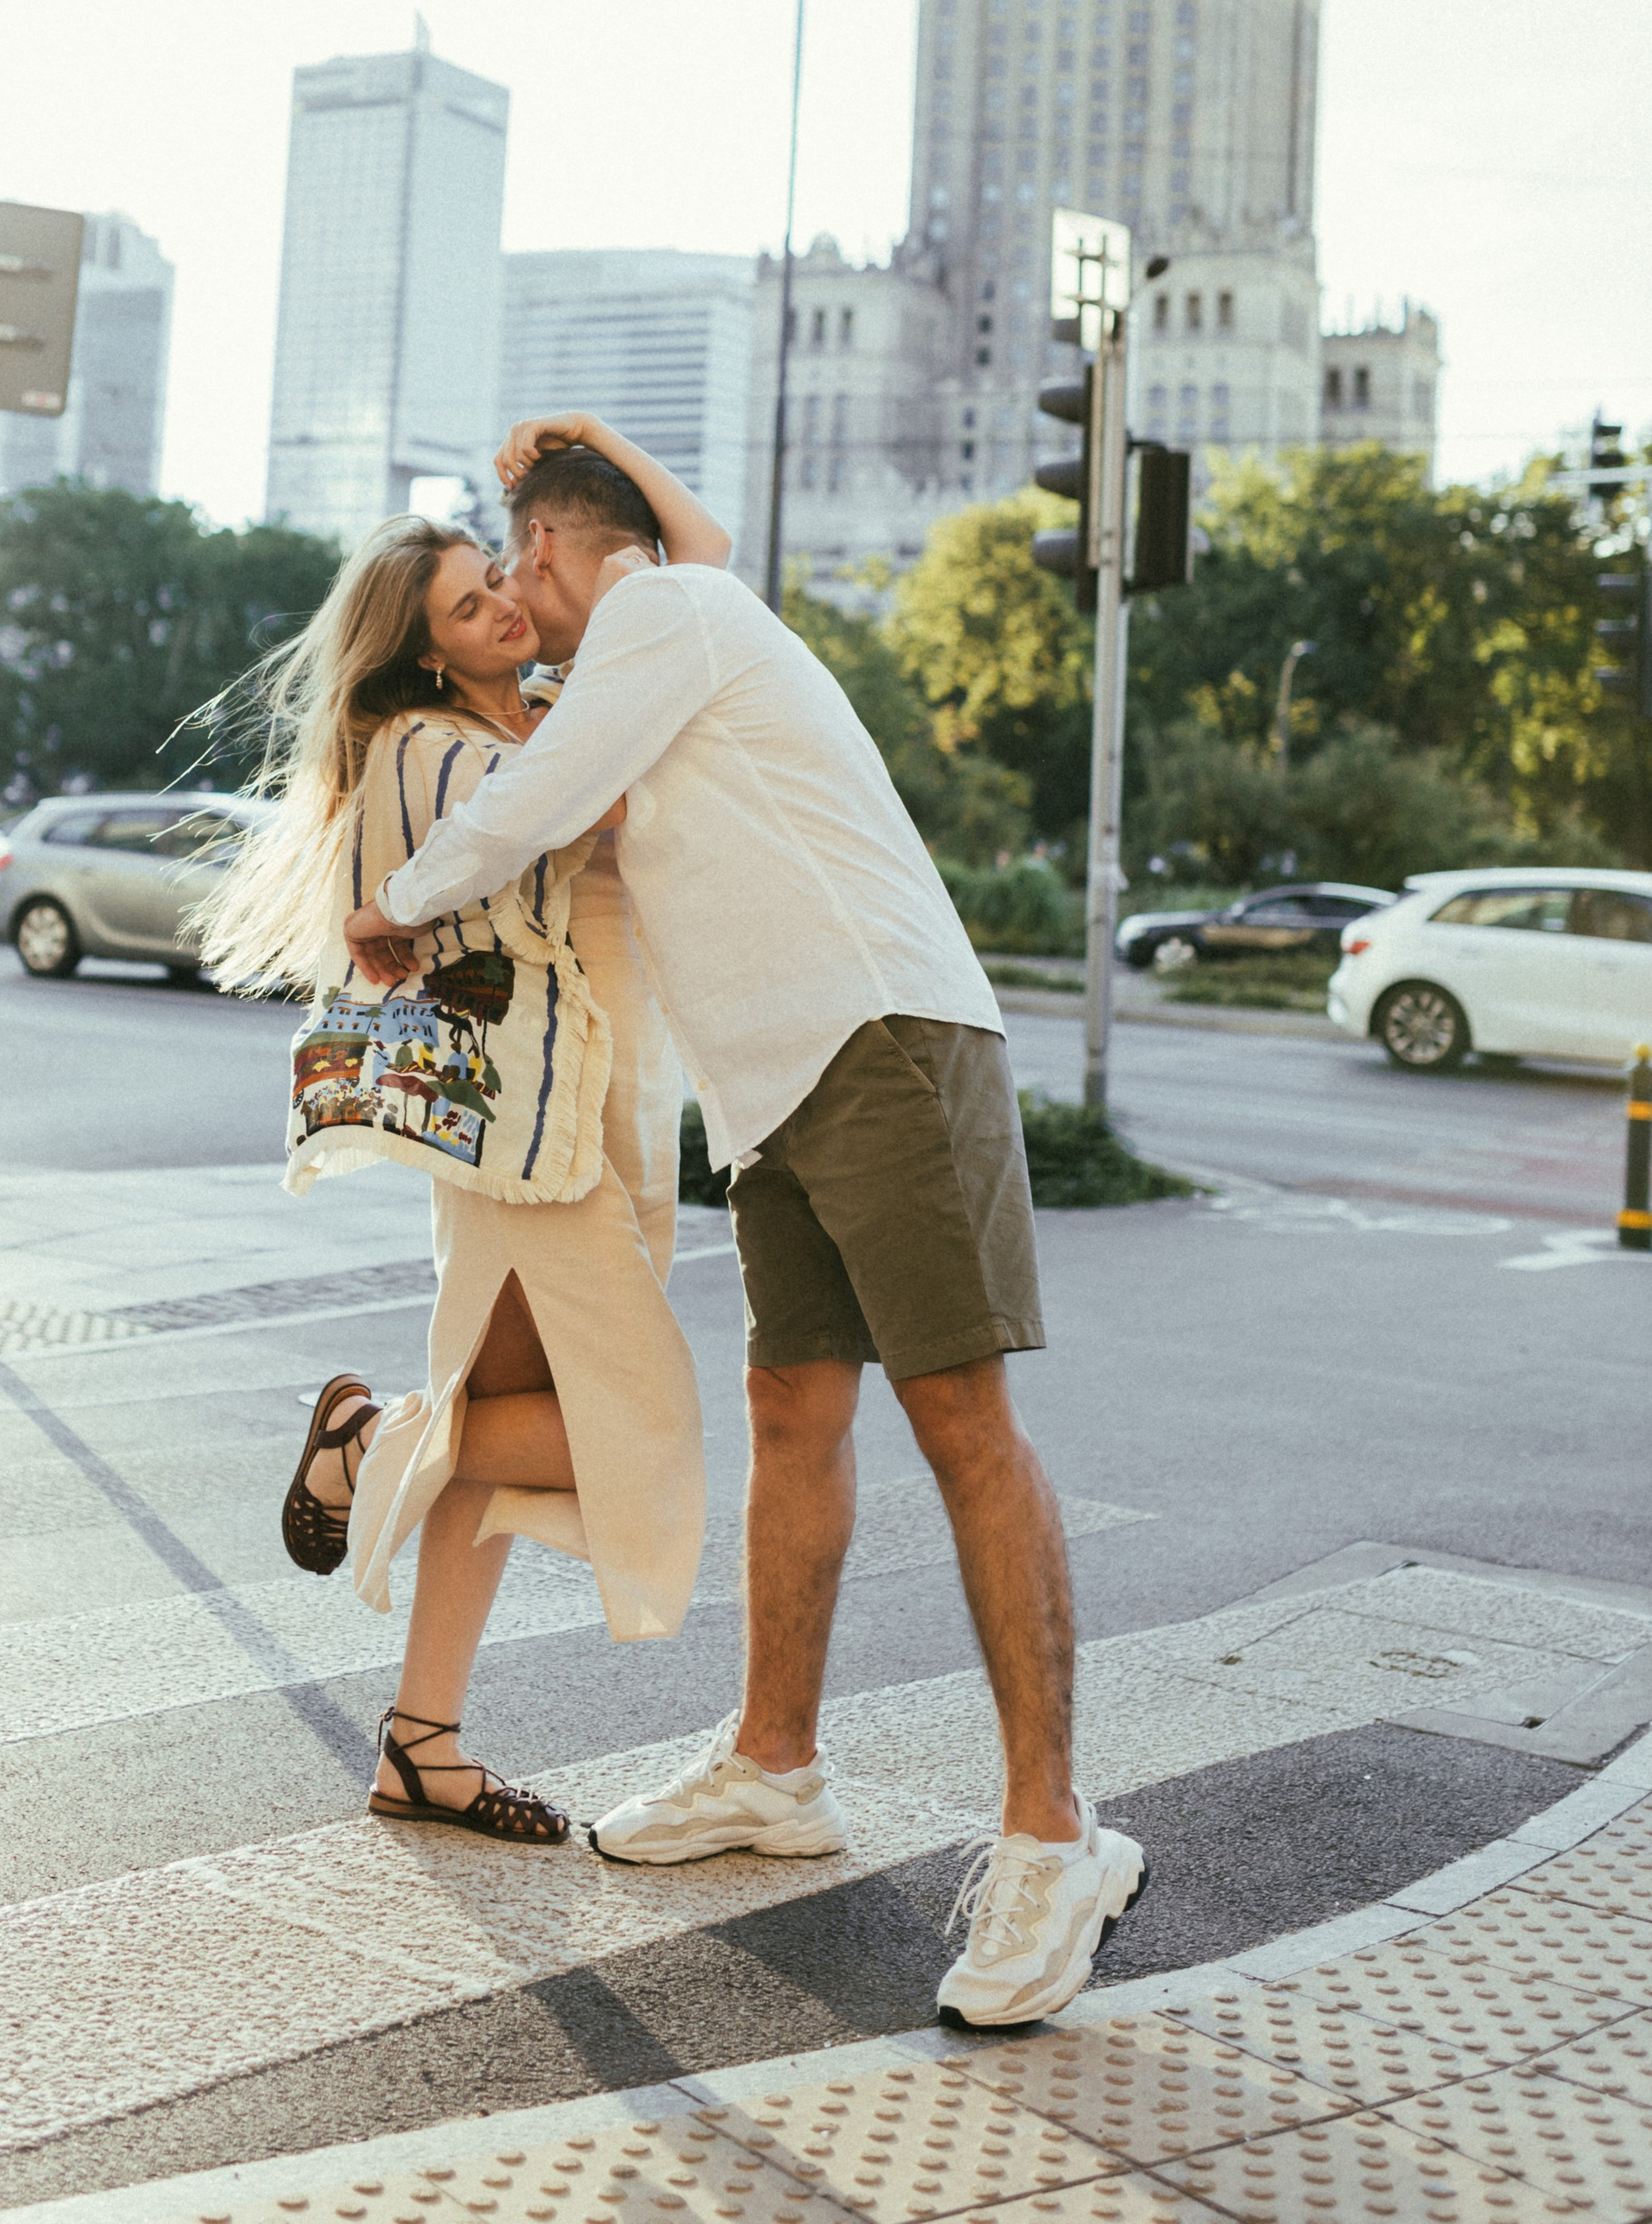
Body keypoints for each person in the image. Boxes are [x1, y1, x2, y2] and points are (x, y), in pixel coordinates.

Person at [343, 426, 1147, 2028]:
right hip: (779, 1090)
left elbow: (558, 779)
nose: (514, 599)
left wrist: (398, 902)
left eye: (517, 567)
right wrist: (594, 462)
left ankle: (1057, 1839)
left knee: (964, 1426)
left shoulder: (665, 620)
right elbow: (665, 560)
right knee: (797, 1411)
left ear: (563, 556)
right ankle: (777, 1769)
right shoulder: (676, 621)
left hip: (883, 1038)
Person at [206, 420, 721, 1844]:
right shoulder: (434, 749)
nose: (504, 601)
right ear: (428, 652)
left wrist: (605, 453)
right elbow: (579, 806)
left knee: (494, 1453)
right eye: (468, 604)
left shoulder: (534, 717)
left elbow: (699, 563)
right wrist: (607, 694)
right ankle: (365, 1445)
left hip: (596, 1124)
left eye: (500, 575)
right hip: (526, 1153)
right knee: (640, 1437)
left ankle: (420, 1743)